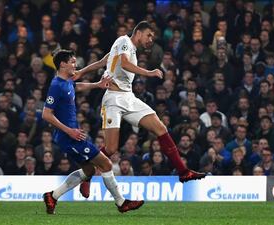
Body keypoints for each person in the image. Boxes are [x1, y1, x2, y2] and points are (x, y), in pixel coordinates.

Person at [74, 21, 205, 188]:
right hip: (113, 99)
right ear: (138, 33)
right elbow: (124, 63)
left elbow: (104, 61)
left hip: (129, 97)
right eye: (149, 35)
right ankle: (87, 172)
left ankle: (183, 171)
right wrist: (149, 72)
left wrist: (81, 71)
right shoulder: (124, 41)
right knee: (111, 148)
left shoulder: (131, 50)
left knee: (161, 129)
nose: (150, 39)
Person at [42, 49, 143, 214]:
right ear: (62, 64)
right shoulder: (56, 85)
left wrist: (97, 85)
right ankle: (121, 202)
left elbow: (76, 86)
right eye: (73, 62)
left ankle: (52, 196)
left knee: (89, 170)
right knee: (106, 164)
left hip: (71, 136)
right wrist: (70, 131)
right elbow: (46, 114)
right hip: (70, 138)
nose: (76, 64)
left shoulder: (66, 81)